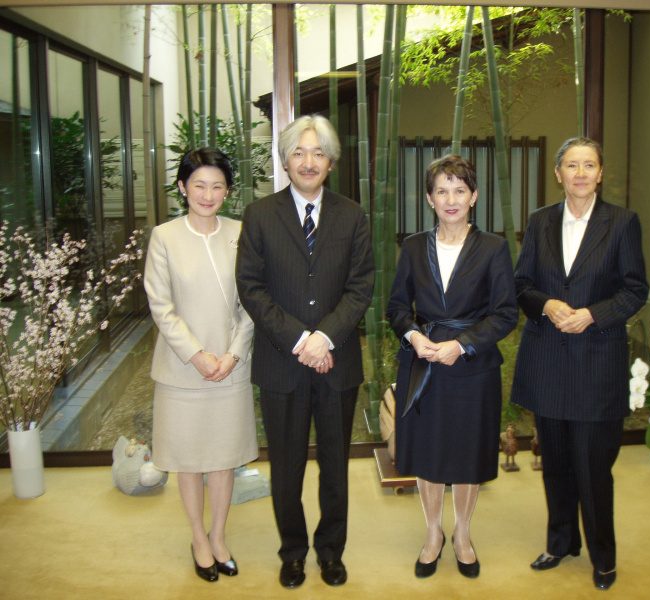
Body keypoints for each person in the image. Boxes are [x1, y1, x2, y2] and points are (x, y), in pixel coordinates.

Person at [236, 115, 374, 589]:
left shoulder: (353, 215)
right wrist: (300, 340)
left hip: (337, 364)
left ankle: (331, 552)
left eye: (318, 153)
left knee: (335, 465)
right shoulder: (259, 216)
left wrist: (325, 338)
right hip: (282, 363)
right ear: (285, 160)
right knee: (287, 467)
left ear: (331, 161)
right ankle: (292, 551)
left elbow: (360, 288)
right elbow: (251, 289)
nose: (308, 161)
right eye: (299, 152)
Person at [510, 137, 648, 591]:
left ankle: (603, 557)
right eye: (572, 165)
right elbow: (522, 284)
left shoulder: (622, 223)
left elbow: (634, 290)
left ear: (601, 173)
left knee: (592, 466)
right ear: (559, 174)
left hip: (596, 361)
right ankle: (561, 541)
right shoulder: (540, 222)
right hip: (548, 356)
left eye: (589, 165)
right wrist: (547, 304)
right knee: (555, 463)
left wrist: (592, 314)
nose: (581, 173)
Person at [385, 154, 518, 580]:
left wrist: (462, 345)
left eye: (459, 189)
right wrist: (413, 335)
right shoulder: (411, 247)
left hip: (471, 368)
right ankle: (432, 534)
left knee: (466, 453)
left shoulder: (494, 248)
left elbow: (505, 314)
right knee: (428, 453)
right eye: (441, 190)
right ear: (429, 198)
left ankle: (461, 534)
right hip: (422, 365)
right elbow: (395, 307)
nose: (451, 198)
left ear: (474, 196)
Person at [144, 148, 258, 583]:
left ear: (227, 191)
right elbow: (161, 305)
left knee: (224, 457)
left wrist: (231, 353)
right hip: (181, 370)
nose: (208, 194)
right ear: (182, 188)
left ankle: (219, 534)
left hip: (232, 364)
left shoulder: (242, 233)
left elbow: (254, 300)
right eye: (198, 185)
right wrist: (197, 355)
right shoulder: (164, 237)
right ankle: (197, 537)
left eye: (217, 186)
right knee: (189, 459)